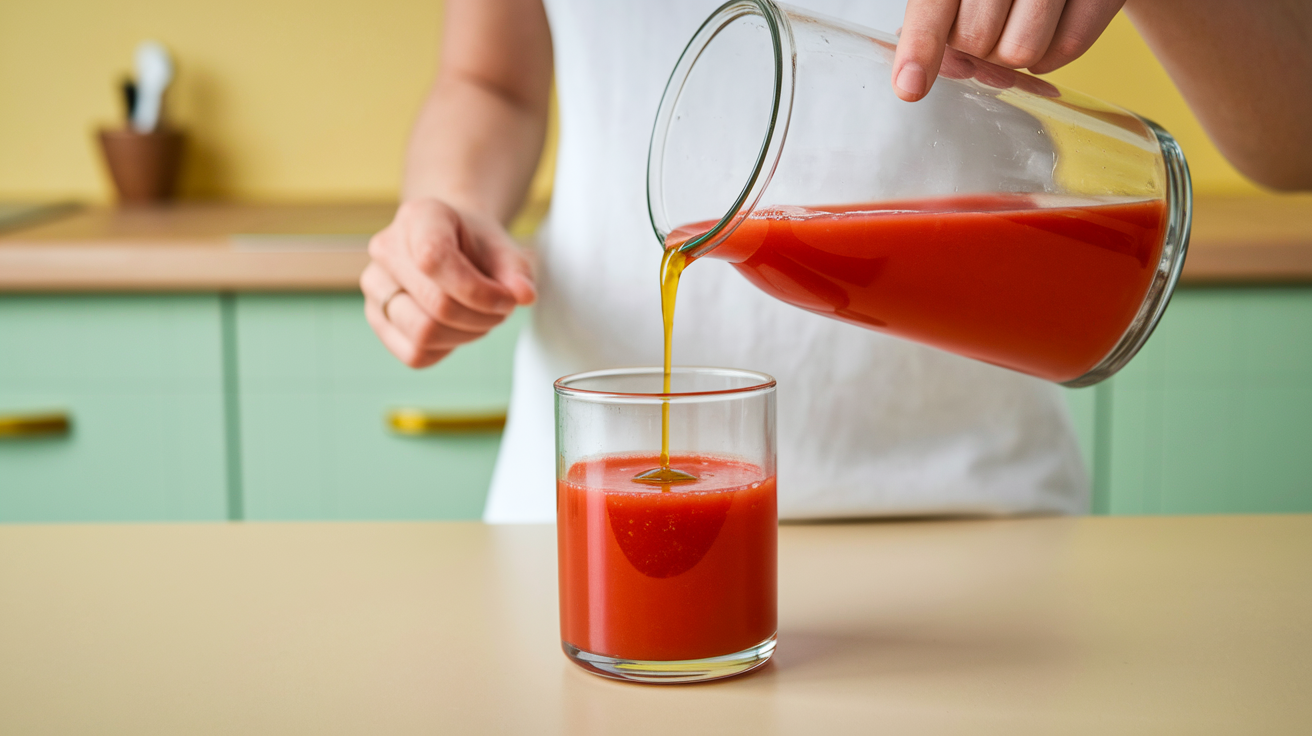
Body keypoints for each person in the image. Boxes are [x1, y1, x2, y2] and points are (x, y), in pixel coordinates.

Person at [359, 0, 1312, 523]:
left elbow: (1292, 135)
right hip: (592, 514)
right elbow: (489, 78)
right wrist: (449, 204)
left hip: (970, 516)